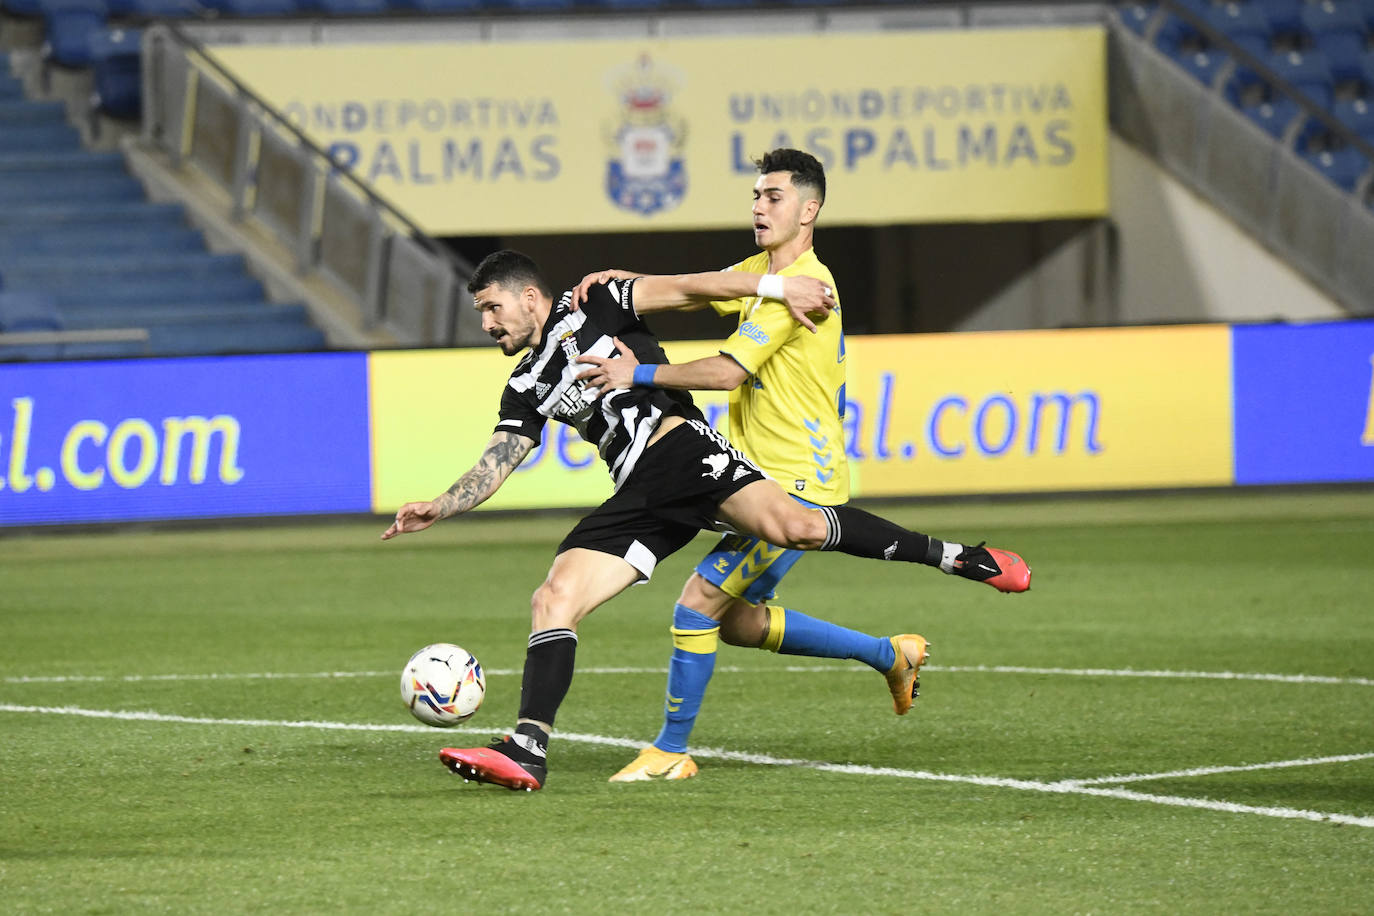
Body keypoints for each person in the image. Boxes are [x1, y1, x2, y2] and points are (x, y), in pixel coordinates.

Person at [381, 247, 1025, 792]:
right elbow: (501, 459)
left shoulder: (599, 304)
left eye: (493, 307)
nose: (488, 323)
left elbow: (694, 288)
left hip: (683, 453)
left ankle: (957, 557)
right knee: (554, 597)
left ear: (529, 297)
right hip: (641, 494)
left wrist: (780, 285)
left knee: (798, 527)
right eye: (481, 314)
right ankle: (528, 749)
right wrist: (442, 504)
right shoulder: (524, 386)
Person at [571, 148, 1030, 784]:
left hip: (797, 480)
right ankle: (890, 655)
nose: (759, 206)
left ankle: (670, 751)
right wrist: (632, 281)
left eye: (774, 196)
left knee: (695, 604)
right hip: (756, 476)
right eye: (756, 195)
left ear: (808, 209)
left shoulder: (805, 291)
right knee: (737, 623)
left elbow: (728, 373)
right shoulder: (765, 273)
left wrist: (636, 371)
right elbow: (704, 289)